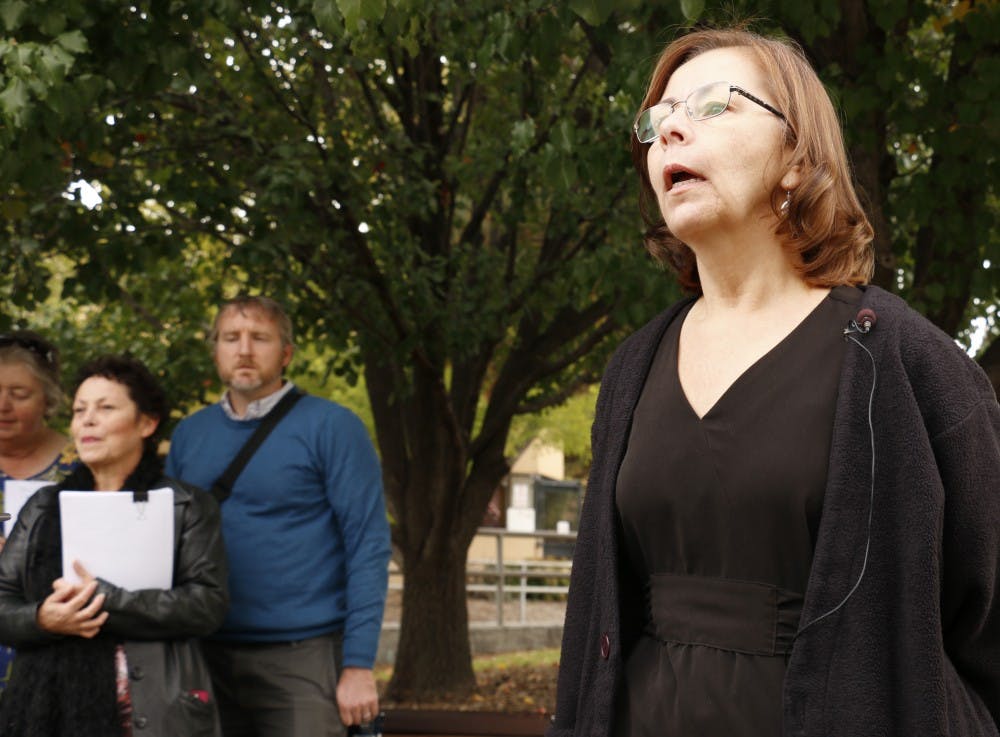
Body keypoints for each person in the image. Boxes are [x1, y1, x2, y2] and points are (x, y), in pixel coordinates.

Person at [549, 26, 1000, 737]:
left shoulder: (910, 363)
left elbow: (987, 625)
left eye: (713, 104)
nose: (670, 132)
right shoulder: (632, 368)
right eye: (658, 120)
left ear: (796, 157)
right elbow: (595, 621)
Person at [165, 295, 391, 737]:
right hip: (204, 655)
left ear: (286, 354)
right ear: (216, 351)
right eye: (231, 338)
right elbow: (168, 544)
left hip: (301, 658)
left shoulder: (332, 427)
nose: (244, 350)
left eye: (260, 338)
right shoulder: (190, 434)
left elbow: (368, 545)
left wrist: (359, 664)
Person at [0, 354, 229, 736]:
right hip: (47, 708)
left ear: (146, 423)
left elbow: (206, 605)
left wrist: (103, 600)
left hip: (153, 709)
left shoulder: (184, 505)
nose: (87, 420)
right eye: (80, 410)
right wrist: (42, 618)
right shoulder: (42, 506)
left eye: (105, 408)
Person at [0, 330, 78, 693]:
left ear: (48, 400)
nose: (3, 405)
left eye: (19, 394)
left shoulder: (82, 466)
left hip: (57, 643)